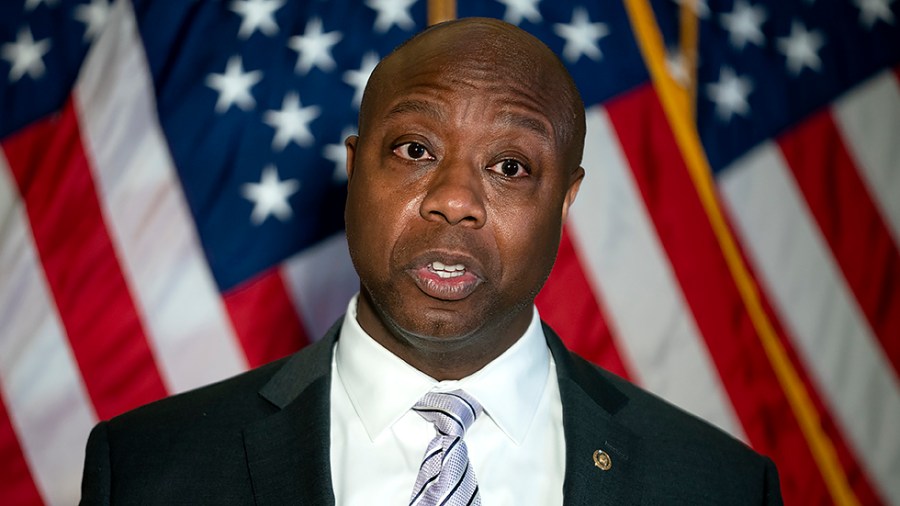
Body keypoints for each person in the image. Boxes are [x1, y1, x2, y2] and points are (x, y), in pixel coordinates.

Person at [80, 17, 782, 505]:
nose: (453, 200)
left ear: (565, 203)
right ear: (356, 173)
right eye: (414, 150)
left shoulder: (716, 485)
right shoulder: (146, 470)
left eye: (510, 166)